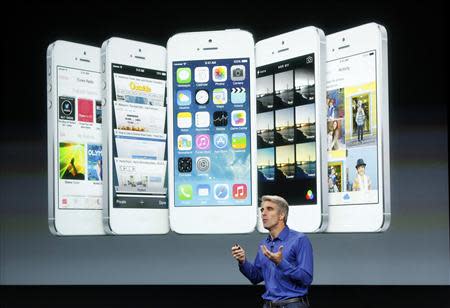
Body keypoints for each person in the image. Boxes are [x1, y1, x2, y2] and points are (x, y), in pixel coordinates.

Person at [231, 195, 313, 308]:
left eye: (269, 209)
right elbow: (256, 277)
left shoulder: (300, 240)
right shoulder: (264, 244)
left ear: (281, 215)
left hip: (293, 304)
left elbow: (306, 278)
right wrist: (243, 261)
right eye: (262, 209)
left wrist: (281, 262)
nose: (263, 213)